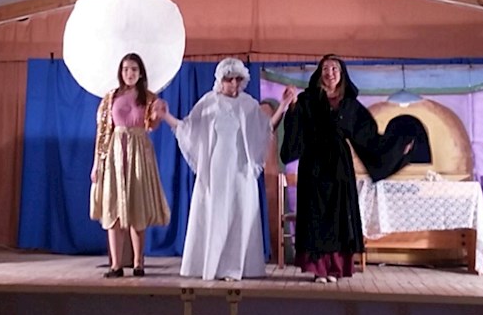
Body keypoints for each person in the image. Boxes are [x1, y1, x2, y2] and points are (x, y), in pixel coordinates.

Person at [280, 55, 414, 283]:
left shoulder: (350, 105)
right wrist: (291, 107)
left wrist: (398, 147)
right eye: (325, 68)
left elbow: (370, 138)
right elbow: (295, 129)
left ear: (341, 74)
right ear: (319, 73)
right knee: (316, 216)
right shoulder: (307, 100)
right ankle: (319, 270)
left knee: (338, 216)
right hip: (313, 166)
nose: (330, 72)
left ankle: (334, 268)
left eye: (335, 68)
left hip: (339, 167)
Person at [156, 58, 290, 281]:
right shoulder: (209, 102)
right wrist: (166, 116)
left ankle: (236, 267)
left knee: (240, 212)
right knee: (216, 212)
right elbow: (188, 130)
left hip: (241, 168)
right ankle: (212, 265)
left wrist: (283, 106)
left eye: (238, 79)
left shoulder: (248, 104)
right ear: (220, 80)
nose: (234, 84)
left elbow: (265, 129)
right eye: (229, 80)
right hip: (216, 168)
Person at [90, 53, 171, 278]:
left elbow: (152, 125)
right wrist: (97, 164)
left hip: (139, 154)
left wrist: (158, 114)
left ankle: (138, 263)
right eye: (125, 69)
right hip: (115, 154)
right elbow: (102, 132)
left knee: (137, 207)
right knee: (113, 208)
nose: (129, 73)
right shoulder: (110, 97)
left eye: (134, 69)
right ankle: (116, 265)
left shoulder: (149, 97)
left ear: (141, 72)